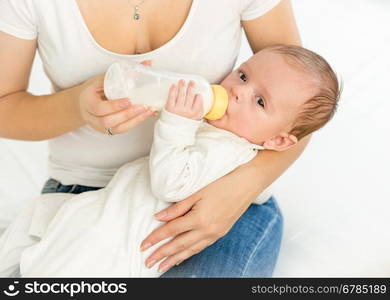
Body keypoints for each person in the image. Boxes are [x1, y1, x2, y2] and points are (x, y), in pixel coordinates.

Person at [0, 0, 306, 277]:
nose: (240, 90)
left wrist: (237, 191)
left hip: (212, 196)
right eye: (242, 77)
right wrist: (78, 105)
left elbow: (304, 107)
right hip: (81, 191)